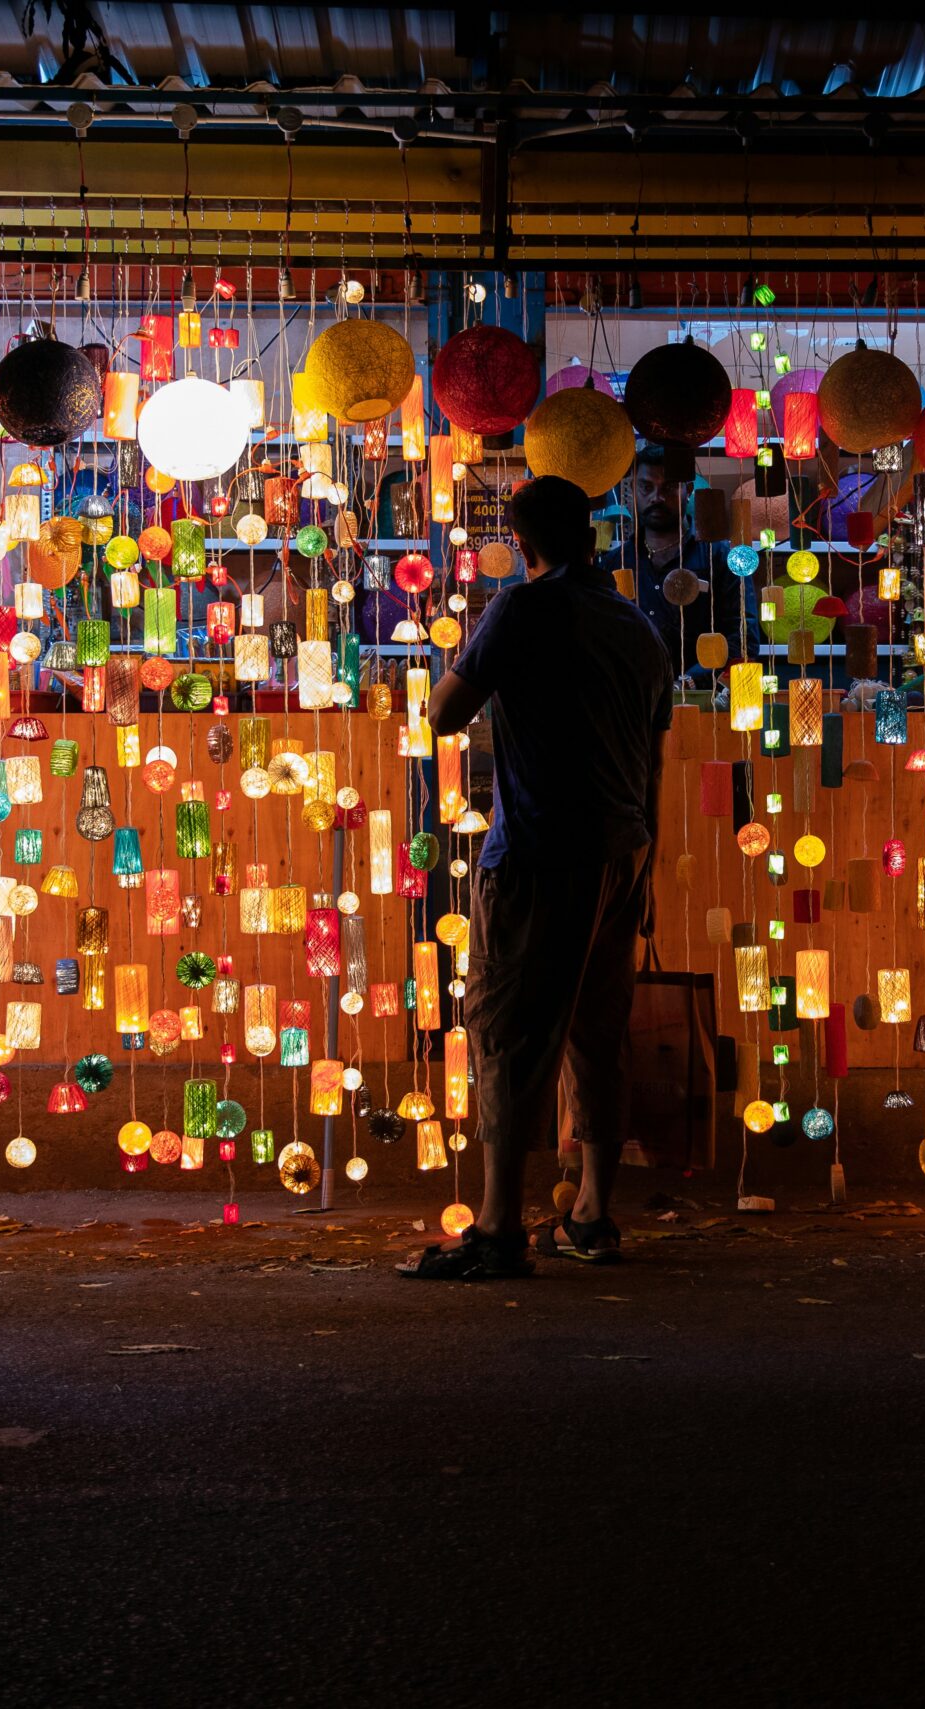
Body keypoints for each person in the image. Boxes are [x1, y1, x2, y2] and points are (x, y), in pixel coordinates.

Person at [397, 475, 674, 1280]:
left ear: (521, 544)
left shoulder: (521, 609)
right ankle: (592, 1215)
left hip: (540, 853)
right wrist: (646, 866)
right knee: (597, 1036)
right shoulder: (637, 628)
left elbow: (445, 712)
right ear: (591, 536)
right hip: (623, 852)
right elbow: (653, 762)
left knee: (509, 1032)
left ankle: (496, 1229)